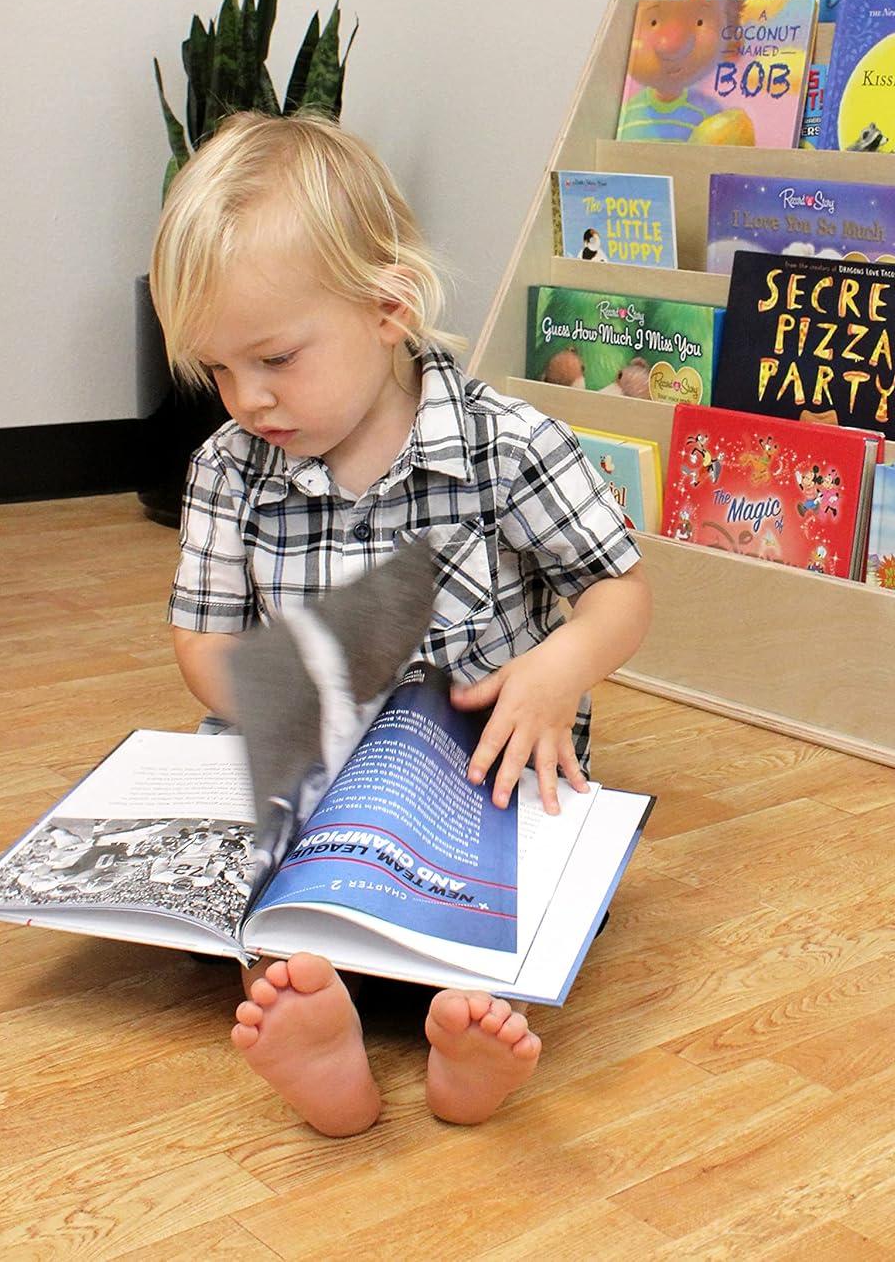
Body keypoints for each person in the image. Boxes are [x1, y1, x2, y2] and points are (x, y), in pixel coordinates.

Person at [149, 110, 652, 1135]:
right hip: (311, 764)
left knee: (519, 911)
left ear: (388, 308)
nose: (247, 399)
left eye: (277, 359)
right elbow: (201, 640)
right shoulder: (226, 470)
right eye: (218, 371)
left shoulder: (506, 445)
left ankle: (466, 1045)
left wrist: (558, 672)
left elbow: (619, 591)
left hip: (483, 771)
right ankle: (323, 1045)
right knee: (269, 912)